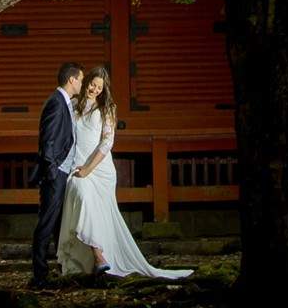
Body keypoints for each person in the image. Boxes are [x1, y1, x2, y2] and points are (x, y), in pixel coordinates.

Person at [57, 66, 192, 281]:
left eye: (100, 87)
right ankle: (95, 256)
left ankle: (100, 259)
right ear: (86, 82)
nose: (95, 90)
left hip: (99, 168)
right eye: (92, 84)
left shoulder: (107, 108)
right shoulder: (73, 105)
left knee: (100, 213)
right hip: (78, 165)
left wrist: (89, 168)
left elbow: (107, 142)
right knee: (81, 195)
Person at [28, 61, 84, 289]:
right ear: (72, 79)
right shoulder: (56, 102)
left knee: (60, 224)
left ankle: (61, 269)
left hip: (63, 173)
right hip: (55, 173)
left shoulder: (65, 102)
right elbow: (48, 140)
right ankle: (39, 277)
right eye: (80, 79)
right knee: (46, 223)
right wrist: (52, 172)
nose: (82, 84)